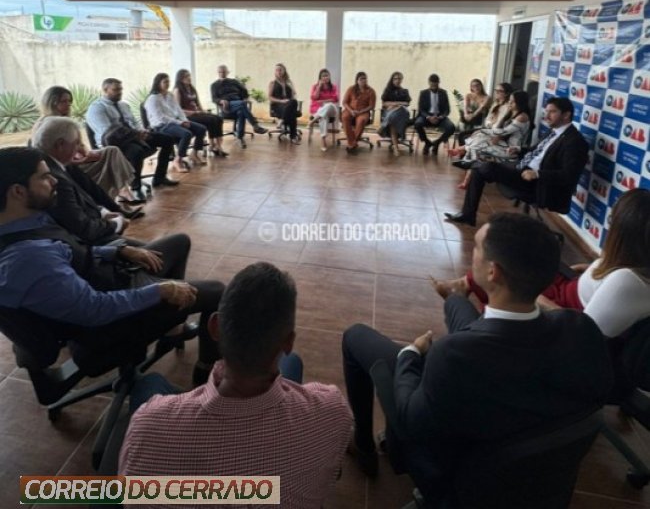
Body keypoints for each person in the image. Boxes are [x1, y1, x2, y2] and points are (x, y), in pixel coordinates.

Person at [342, 212, 612, 504]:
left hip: (459, 476)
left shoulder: (453, 355)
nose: (473, 253)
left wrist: (412, 354)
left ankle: (364, 446)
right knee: (456, 318)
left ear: (493, 272)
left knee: (355, 337)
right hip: (540, 476)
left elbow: (410, 422)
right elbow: (496, 337)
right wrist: (456, 299)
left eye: (477, 248)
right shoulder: (581, 329)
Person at [120, 262, 352, 509]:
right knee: (292, 363)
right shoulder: (332, 412)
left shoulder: (148, 424)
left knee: (150, 383)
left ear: (214, 327)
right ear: (288, 342)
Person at [0, 147, 224, 386]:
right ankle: (207, 373)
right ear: (18, 191)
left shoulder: (27, 222)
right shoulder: (30, 256)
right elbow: (95, 309)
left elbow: (68, 252)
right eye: (44, 177)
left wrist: (118, 250)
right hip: (108, 327)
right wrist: (160, 291)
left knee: (179, 242)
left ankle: (172, 329)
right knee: (217, 291)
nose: (54, 180)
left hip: (107, 281)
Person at [435, 189, 650, 339]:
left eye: (613, 220)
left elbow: (583, 334)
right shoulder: (632, 263)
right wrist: (588, 270)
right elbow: (606, 281)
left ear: (625, 233)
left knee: (510, 277)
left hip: (562, 314)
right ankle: (463, 285)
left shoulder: (627, 282)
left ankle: (467, 310)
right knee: (513, 255)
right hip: (567, 288)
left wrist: (538, 299)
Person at [444, 97, 589, 227]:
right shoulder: (554, 132)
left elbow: (568, 175)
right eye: (547, 111)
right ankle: (468, 215)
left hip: (538, 184)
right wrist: (518, 149)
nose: (547, 116)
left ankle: (470, 165)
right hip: (522, 169)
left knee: (487, 166)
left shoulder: (575, 141)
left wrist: (537, 174)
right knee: (479, 170)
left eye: (552, 112)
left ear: (566, 115)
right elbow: (535, 151)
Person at [32, 117, 141, 244]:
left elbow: (81, 198)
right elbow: (82, 229)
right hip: (90, 245)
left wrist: (103, 212)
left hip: (93, 230)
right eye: (76, 143)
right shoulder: (55, 179)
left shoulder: (54, 164)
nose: (79, 148)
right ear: (60, 145)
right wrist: (117, 223)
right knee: (159, 250)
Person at [35, 85, 137, 204]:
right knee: (113, 155)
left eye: (69, 101)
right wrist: (82, 159)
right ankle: (118, 192)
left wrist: (86, 154)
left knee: (112, 151)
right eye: (64, 101)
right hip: (69, 166)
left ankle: (123, 189)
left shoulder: (67, 121)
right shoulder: (46, 125)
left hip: (77, 158)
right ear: (52, 103)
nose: (68, 104)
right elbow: (53, 159)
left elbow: (80, 146)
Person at [86, 78, 178, 202]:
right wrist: (135, 135)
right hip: (114, 143)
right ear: (105, 90)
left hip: (134, 136)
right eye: (115, 90)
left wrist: (142, 131)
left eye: (120, 89)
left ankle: (160, 177)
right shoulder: (97, 108)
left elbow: (134, 122)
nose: (119, 92)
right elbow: (108, 133)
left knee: (167, 139)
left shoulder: (123, 105)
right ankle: (136, 187)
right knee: (136, 151)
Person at [454, 90, 531, 190]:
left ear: (520, 103)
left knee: (477, 148)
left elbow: (503, 132)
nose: (510, 103)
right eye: (510, 100)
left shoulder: (522, 117)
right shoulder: (512, 113)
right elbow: (497, 128)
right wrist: (505, 115)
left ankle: (464, 154)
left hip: (510, 150)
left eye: (513, 101)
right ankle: (466, 173)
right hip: (503, 144)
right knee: (479, 144)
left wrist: (483, 130)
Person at [144, 72, 208, 172]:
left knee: (201, 129)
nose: (168, 84)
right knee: (186, 134)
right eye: (165, 82)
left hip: (175, 122)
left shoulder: (169, 95)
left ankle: (194, 154)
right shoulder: (153, 99)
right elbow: (161, 118)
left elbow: (178, 110)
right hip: (161, 126)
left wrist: (184, 120)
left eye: (168, 81)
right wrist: (180, 123)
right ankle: (178, 160)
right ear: (158, 83)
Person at [173, 69, 228, 157]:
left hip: (197, 113)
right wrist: (194, 112)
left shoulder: (192, 89)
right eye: (186, 76)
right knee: (211, 120)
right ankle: (212, 145)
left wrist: (203, 111)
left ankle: (218, 146)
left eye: (189, 75)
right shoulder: (177, 90)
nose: (189, 78)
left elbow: (198, 103)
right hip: (187, 116)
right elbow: (178, 110)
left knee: (218, 118)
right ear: (180, 79)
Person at [210, 64, 267, 148]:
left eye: (224, 72)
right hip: (226, 107)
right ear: (218, 73)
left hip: (238, 105)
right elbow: (214, 99)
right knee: (242, 104)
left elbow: (244, 91)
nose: (222, 73)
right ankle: (255, 125)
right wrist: (221, 101)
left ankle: (240, 138)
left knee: (241, 112)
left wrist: (245, 98)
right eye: (220, 72)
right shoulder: (214, 85)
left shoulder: (234, 82)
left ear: (228, 72)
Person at [450, 82, 513, 156]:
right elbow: (488, 119)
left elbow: (500, 124)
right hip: (489, 128)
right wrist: (490, 124)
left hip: (496, 132)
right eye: (496, 90)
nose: (496, 92)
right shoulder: (495, 104)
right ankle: (463, 153)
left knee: (480, 135)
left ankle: (461, 150)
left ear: (506, 93)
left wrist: (490, 125)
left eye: (500, 91)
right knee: (463, 134)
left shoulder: (507, 107)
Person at [413, 74, 455, 155]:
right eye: (432, 84)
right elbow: (421, 109)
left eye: (435, 85)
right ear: (429, 83)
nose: (434, 87)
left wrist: (441, 117)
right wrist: (428, 117)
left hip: (440, 117)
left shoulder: (443, 93)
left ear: (438, 83)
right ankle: (427, 142)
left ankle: (437, 143)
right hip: (426, 117)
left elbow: (447, 109)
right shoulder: (423, 93)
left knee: (451, 127)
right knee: (418, 124)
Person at [378, 71, 412, 157]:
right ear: (392, 80)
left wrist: (395, 105)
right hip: (390, 114)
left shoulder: (404, 91)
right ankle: (396, 149)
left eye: (399, 79)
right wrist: (396, 104)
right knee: (393, 121)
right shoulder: (388, 90)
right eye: (395, 79)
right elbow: (384, 103)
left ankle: (383, 125)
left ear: (402, 80)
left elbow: (407, 103)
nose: (397, 80)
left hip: (403, 114)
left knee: (400, 109)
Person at [341, 72, 376, 153]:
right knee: (344, 117)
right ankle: (353, 143)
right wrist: (351, 111)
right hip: (350, 110)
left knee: (361, 120)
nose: (364, 80)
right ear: (357, 80)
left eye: (365, 78)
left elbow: (371, 106)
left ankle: (351, 144)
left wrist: (360, 111)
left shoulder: (371, 91)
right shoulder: (351, 89)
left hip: (363, 111)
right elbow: (344, 102)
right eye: (361, 79)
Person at [268, 63, 301, 145]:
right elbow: (270, 97)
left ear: (284, 71)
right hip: (277, 105)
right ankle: (293, 137)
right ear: (275, 72)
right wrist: (281, 101)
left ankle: (282, 120)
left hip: (288, 104)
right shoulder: (272, 83)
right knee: (292, 114)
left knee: (294, 102)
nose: (278, 71)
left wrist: (292, 88)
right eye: (277, 70)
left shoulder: (289, 82)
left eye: (280, 70)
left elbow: (293, 95)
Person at [309, 68, 339, 152]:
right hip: (318, 110)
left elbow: (335, 99)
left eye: (327, 76)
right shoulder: (315, 86)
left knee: (329, 105)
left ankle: (314, 120)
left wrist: (323, 101)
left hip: (331, 110)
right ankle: (323, 140)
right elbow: (314, 98)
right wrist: (319, 87)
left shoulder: (333, 87)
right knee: (323, 117)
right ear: (320, 78)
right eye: (323, 76)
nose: (325, 78)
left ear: (329, 77)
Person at [458, 78, 491, 143]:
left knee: (466, 133)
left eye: (478, 85)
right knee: (462, 123)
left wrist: (472, 116)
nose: (476, 87)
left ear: (481, 86)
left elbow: (481, 108)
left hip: (480, 119)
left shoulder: (487, 97)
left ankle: (467, 140)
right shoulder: (468, 95)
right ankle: (463, 143)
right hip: (468, 118)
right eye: (473, 86)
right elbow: (465, 106)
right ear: (471, 87)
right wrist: (466, 114)